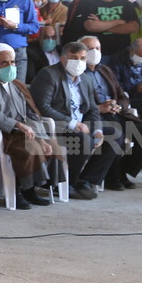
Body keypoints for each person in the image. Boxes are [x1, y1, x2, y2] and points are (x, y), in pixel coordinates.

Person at [0, 44, 59, 208]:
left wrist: (41, 137)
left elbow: (32, 113)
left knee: (51, 146)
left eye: (13, 62)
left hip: (21, 133)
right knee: (25, 149)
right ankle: (18, 192)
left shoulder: (18, 85)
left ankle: (31, 189)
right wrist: (16, 124)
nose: (10, 66)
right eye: (4, 63)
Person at [29, 41, 114, 200]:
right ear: (62, 59)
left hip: (81, 125)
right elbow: (42, 107)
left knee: (115, 134)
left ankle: (86, 180)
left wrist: (97, 130)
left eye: (82, 58)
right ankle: (67, 183)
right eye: (73, 57)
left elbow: (93, 109)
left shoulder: (86, 79)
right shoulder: (48, 75)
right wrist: (73, 123)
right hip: (57, 126)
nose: (79, 62)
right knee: (83, 140)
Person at [81, 36, 142, 191]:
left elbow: (122, 94)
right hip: (96, 116)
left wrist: (118, 105)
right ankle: (113, 177)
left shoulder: (105, 69)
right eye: (90, 49)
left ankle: (122, 171)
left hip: (116, 112)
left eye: (97, 48)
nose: (95, 52)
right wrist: (99, 107)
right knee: (117, 134)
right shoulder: (77, 72)